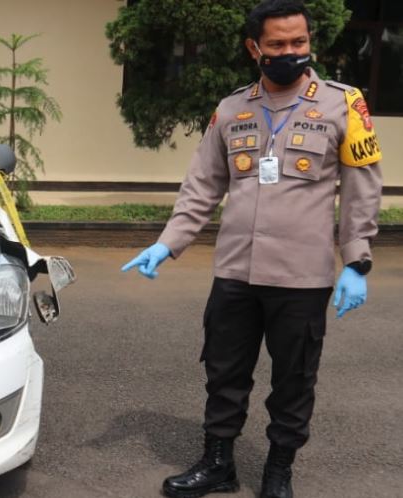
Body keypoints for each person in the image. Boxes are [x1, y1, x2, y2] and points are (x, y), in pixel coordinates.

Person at [121, 1, 382, 497]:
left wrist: (357, 259)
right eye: (279, 44)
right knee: (224, 373)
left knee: (294, 380)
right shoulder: (231, 109)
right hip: (235, 272)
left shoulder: (343, 104)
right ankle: (218, 464)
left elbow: (362, 186)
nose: (291, 52)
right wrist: (168, 243)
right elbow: (202, 186)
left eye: (299, 43)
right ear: (254, 48)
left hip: (302, 276)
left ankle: (278, 473)